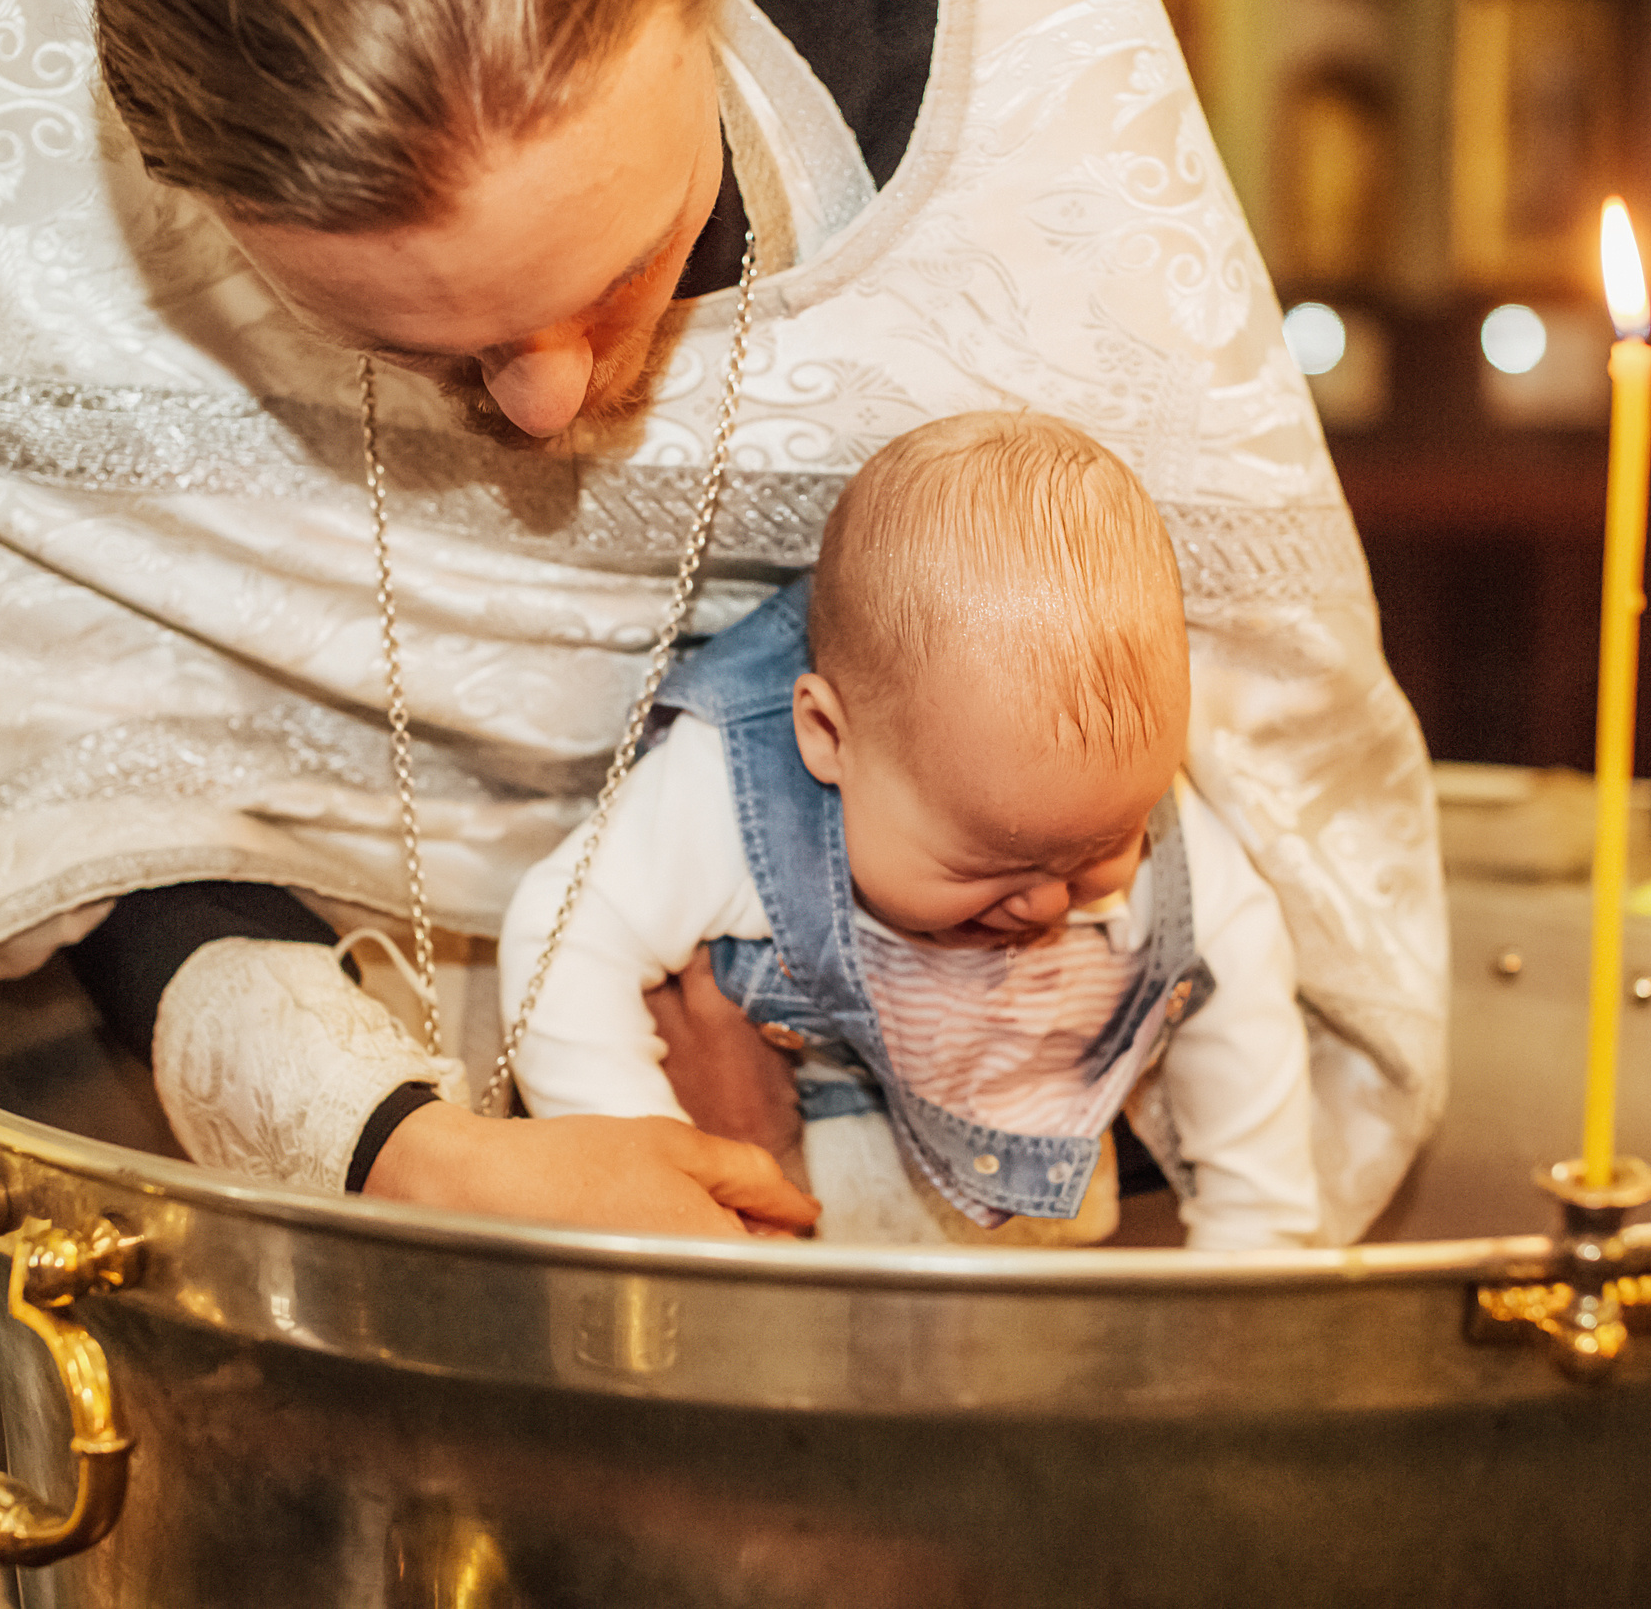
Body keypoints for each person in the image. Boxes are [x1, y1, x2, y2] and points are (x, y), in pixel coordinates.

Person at [0, 0, 1447, 1595]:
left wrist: (841, 1144)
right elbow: (44, 790)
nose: (544, 406)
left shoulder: (995, 61)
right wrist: (414, 1155)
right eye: (402, 341)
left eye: (624, 270)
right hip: (273, 1152)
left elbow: (1213, 862)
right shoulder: (70, 168)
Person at [506, 412, 1320, 1249]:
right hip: (792, 1170)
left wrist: (1255, 1235)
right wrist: (651, 1163)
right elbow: (560, 938)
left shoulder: (1125, 801)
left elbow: (1240, 973)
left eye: (1096, 853)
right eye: (988, 863)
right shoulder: (732, 785)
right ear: (829, 737)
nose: (1044, 901)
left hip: (1031, 1205)